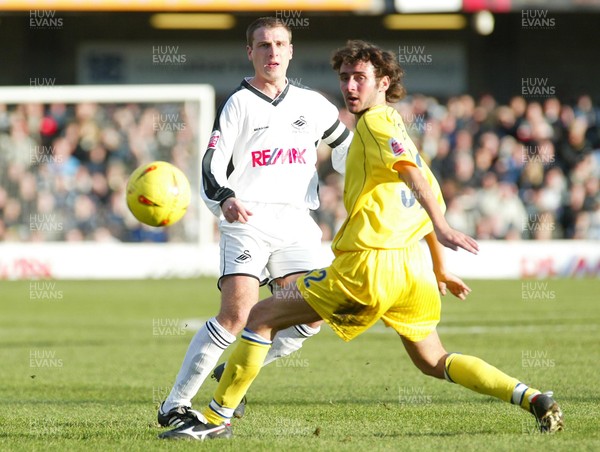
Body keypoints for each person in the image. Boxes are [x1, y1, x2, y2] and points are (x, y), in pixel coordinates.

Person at [158, 40, 564, 440]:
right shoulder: (396, 127)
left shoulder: (374, 123)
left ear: (384, 82)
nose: (351, 87)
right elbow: (420, 192)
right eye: (345, 78)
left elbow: (415, 179)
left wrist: (441, 226)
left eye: (361, 78)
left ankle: (215, 418)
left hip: (369, 267)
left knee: (261, 317)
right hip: (414, 271)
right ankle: (531, 397)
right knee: (434, 360)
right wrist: (440, 265)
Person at [156, 17, 352, 428]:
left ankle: (229, 374)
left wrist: (361, 177)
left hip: (297, 221)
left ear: (291, 51)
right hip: (248, 219)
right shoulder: (239, 103)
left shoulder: (312, 104)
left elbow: (346, 149)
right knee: (237, 313)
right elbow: (210, 163)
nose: (272, 53)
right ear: (251, 53)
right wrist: (225, 198)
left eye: (280, 44)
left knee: (311, 316)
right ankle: (174, 404)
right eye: (263, 45)